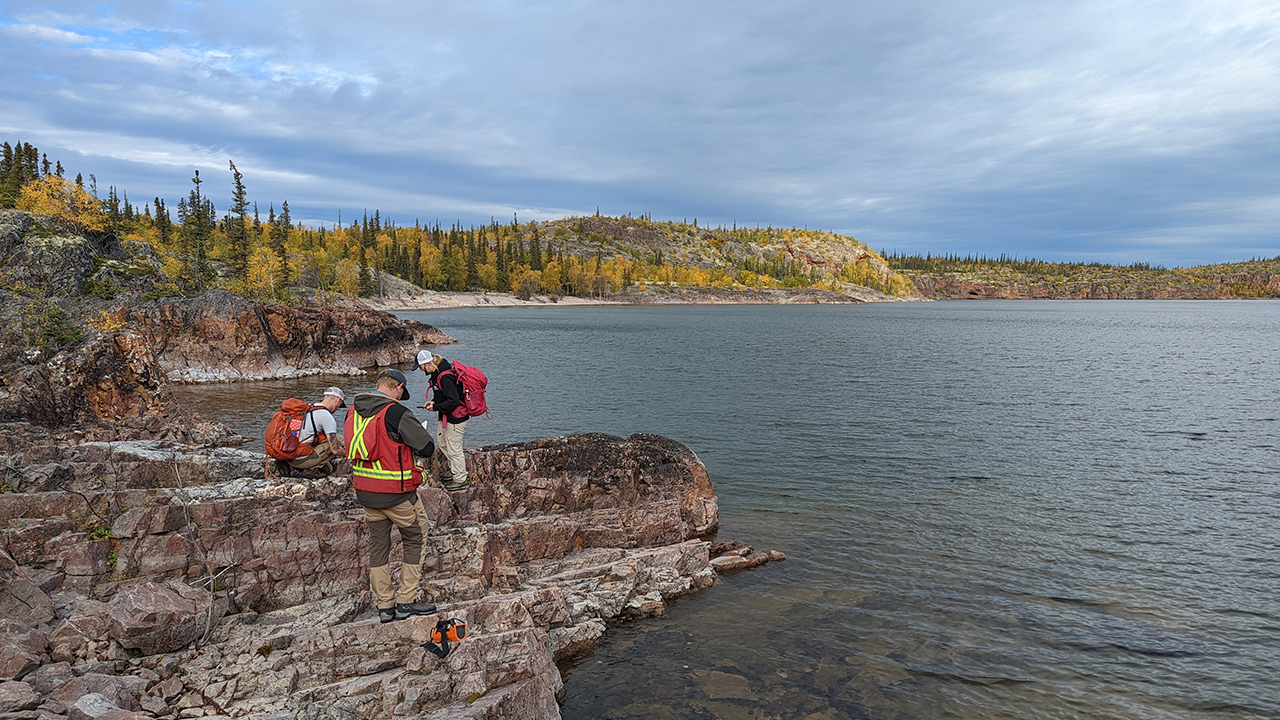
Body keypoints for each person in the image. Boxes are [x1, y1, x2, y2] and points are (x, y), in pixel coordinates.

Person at [345, 368, 438, 623]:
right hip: (396, 494)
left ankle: (385, 606)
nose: (400, 396)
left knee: (378, 546)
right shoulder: (395, 412)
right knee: (415, 538)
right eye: (401, 392)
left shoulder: (354, 410)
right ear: (397, 387)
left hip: (365, 492)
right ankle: (406, 602)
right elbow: (427, 448)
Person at [413, 350, 469, 491]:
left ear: (427, 363)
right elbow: (443, 396)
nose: (421, 370)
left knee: (454, 448)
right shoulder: (438, 374)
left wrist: (436, 406)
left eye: (420, 367)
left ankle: (460, 479)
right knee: (443, 444)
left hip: (456, 418)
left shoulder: (444, 377)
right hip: (447, 416)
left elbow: (453, 401)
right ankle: (455, 472)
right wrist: (433, 402)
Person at [280, 387, 347, 477]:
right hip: (301, 460)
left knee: (340, 439)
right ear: (337, 400)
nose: (337, 409)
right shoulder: (327, 417)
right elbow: (334, 450)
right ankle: (309, 469)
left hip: (289, 454)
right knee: (335, 443)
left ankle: (290, 465)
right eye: (340, 405)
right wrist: (347, 455)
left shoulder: (310, 407)